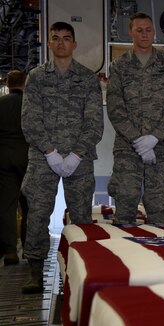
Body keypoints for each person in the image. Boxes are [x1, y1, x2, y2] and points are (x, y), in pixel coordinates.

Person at [21, 22, 103, 293]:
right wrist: (51, 152)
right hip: (44, 158)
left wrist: (76, 154)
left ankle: (81, 270)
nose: (60, 43)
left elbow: (94, 123)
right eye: (55, 38)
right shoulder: (36, 77)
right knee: (38, 214)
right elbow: (30, 120)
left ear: (74, 44)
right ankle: (35, 272)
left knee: (81, 217)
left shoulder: (88, 78)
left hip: (79, 159)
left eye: (66, 39)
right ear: (48, 42)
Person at [107, 12, 164, 225]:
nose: (144, 34)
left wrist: (154, 138)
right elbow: (115, 109)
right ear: (131, 32)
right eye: (139, 30)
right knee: (125, 205)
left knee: (159, 210)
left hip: (161, 148)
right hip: (127, 148)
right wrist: (140, 143)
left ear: (154, 33)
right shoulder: (119, 66)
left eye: (148, 30)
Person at [0, 70, 28, 266]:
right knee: (31, 207)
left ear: (7, 83)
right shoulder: (31, 104)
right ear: (25, 83)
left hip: (3, 160)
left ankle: (10, 252)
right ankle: (30, 249)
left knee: (7, 207)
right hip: (28, 158)